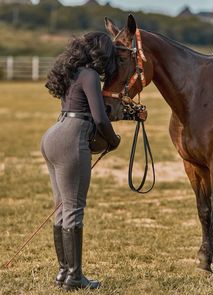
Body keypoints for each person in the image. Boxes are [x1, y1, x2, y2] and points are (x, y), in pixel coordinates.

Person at [41, 32, 120, 291]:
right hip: (71, 138)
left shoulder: (71, 70)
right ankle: (75, 278)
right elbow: (99, 119)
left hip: (53, 134)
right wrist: (114, 139)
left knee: (61, 207)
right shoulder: (89, 75)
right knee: (74, 208)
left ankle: (64, 272)